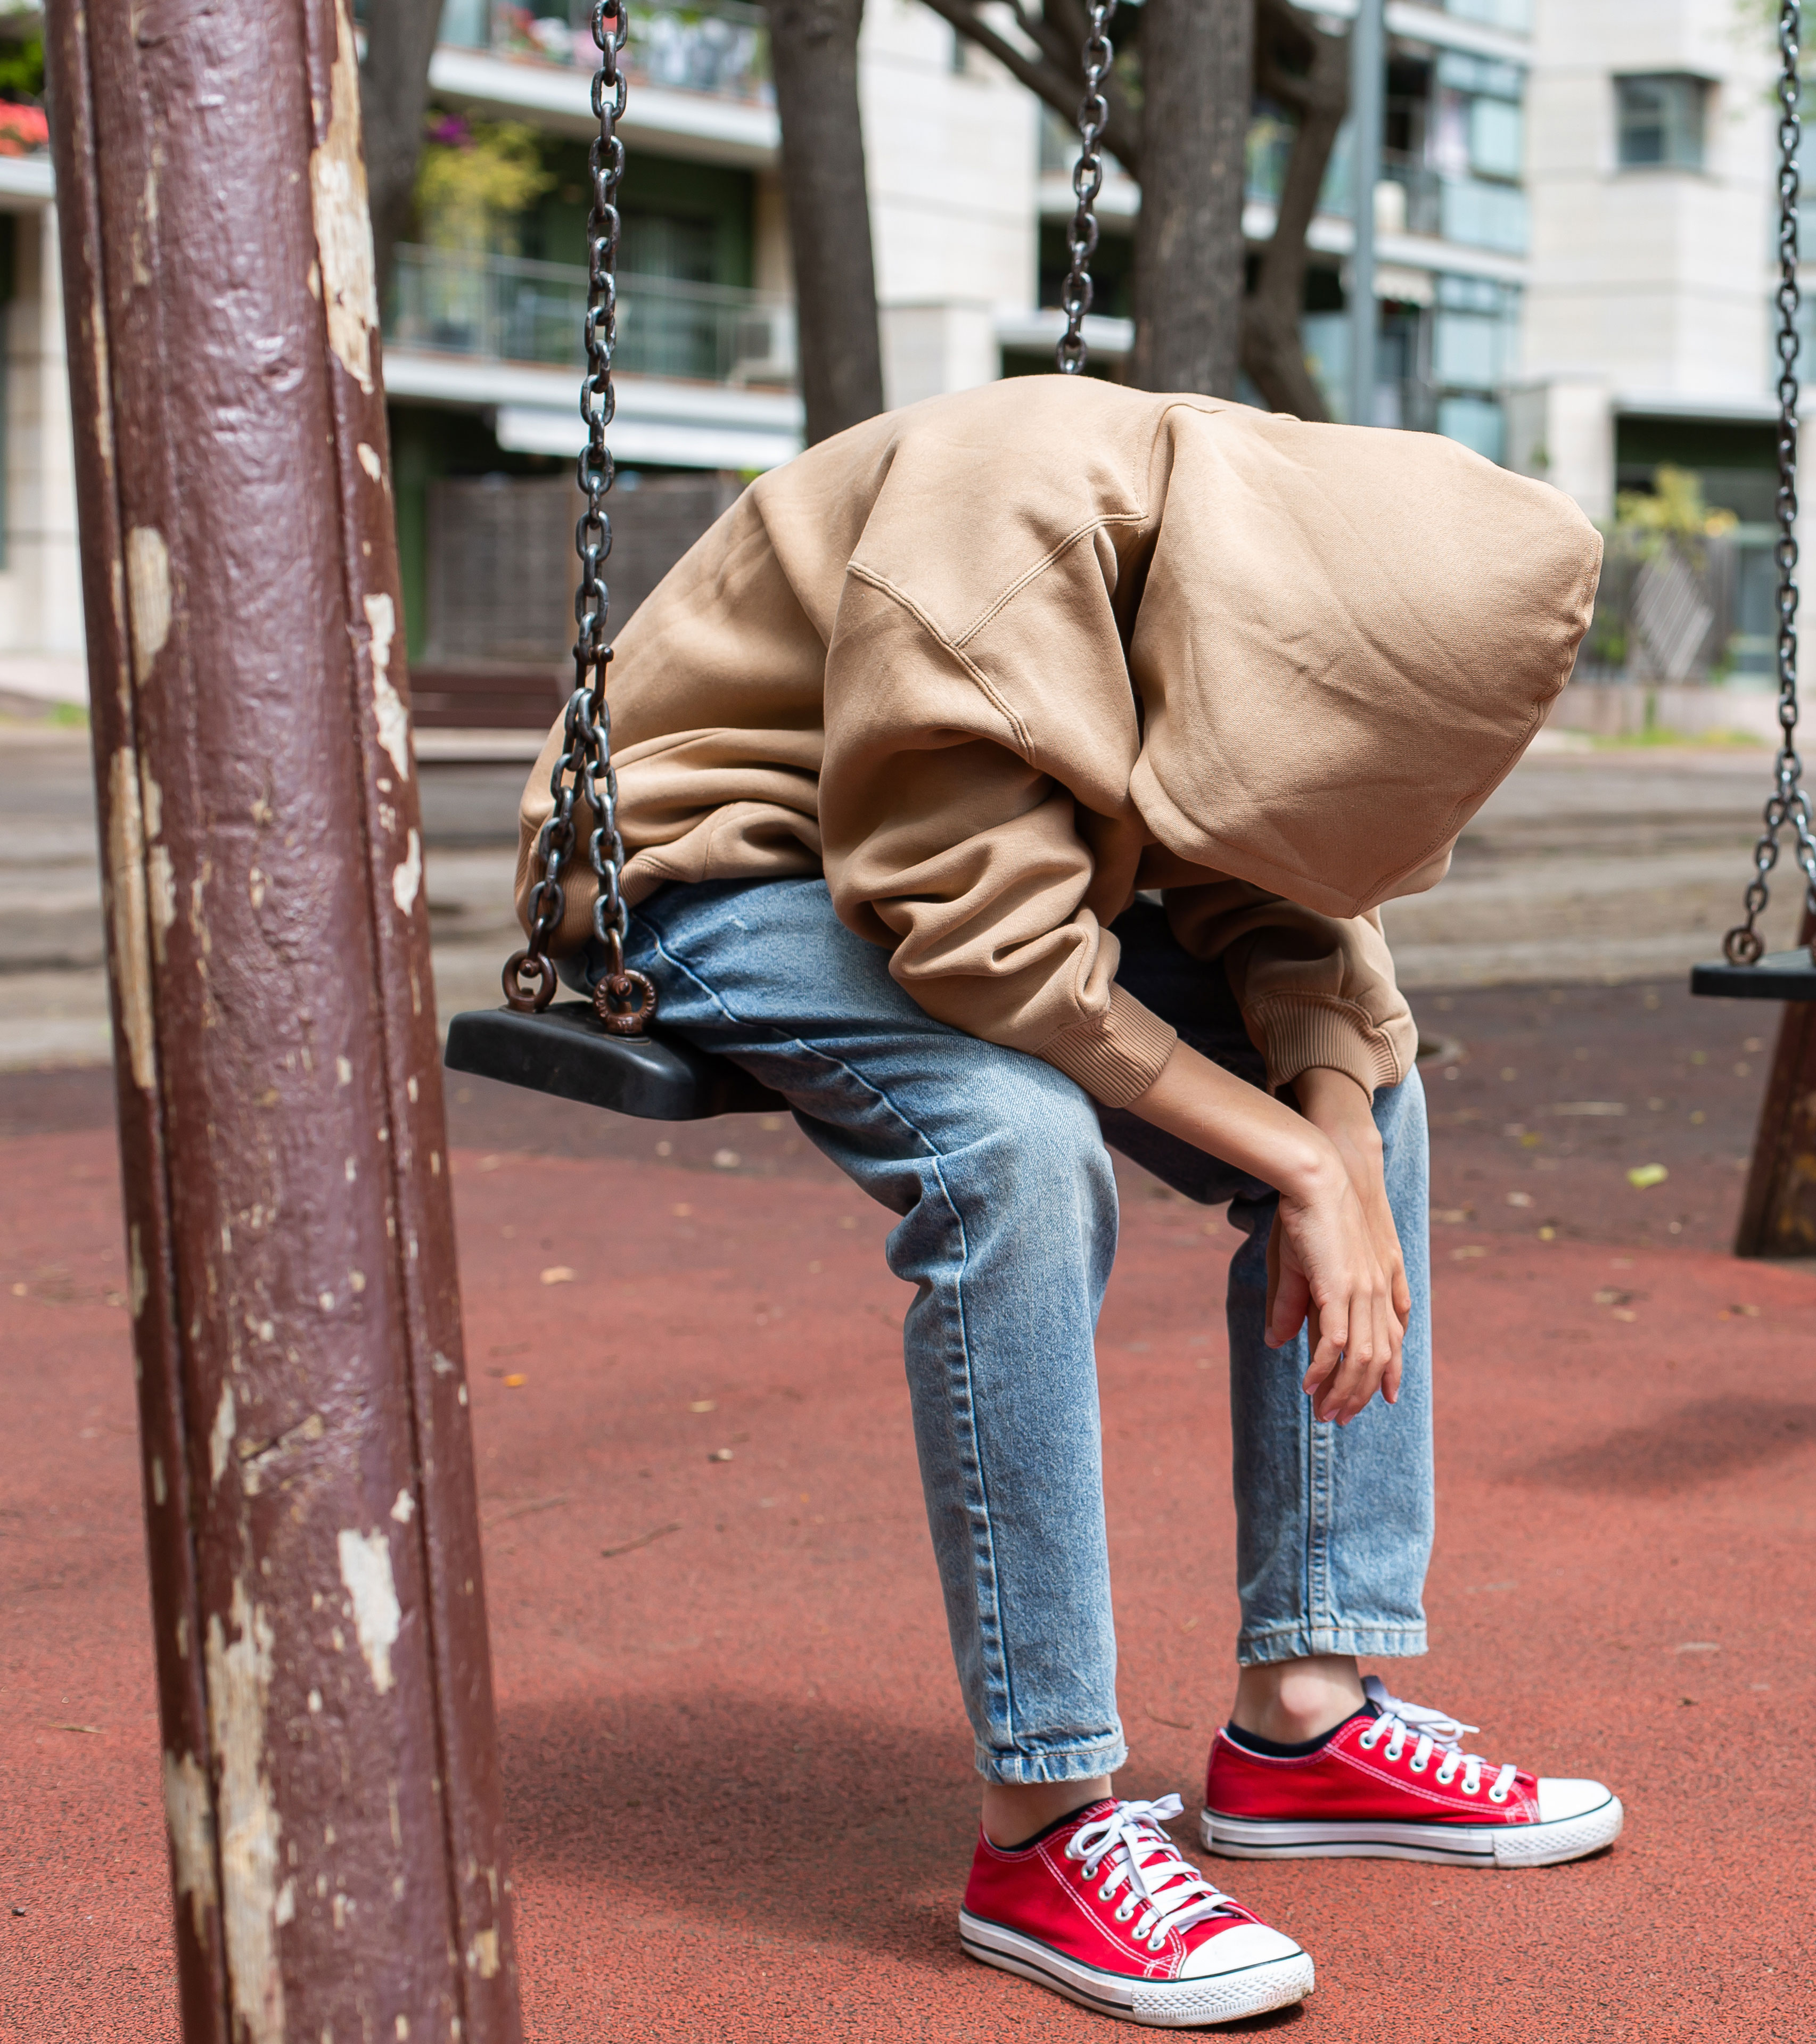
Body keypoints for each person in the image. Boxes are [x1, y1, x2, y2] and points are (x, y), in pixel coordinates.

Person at [515, 377, 1621, 2027]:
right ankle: (1043, 1820)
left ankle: (1305, 1719)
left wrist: (1333, 1125)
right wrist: (1292, 1161)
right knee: (1017, 1141)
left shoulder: (1278, 572)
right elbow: (982, 942)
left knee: (1368, 1088)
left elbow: (1291, 894)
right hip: (727, 860)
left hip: (975, 860)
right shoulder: (1005, 532)